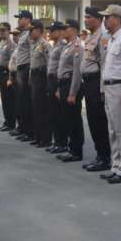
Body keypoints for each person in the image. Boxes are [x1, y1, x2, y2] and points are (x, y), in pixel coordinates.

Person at [97, 4, 121, 184]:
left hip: (120, 88)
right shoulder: (111, 39)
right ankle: (116, 166)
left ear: (117, 19)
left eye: (108, 17)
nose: (105, 20)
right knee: (112, 130)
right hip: (110, 88)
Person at [80, 7, 112, 172]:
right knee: (92, 121)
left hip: (95, 82)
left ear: (99, 20)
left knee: (99, 121)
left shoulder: (103, 37)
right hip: (88, 82)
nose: (86, 20)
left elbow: (103, 64)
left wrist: (101, 90)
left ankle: (105, 158)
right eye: (85, 17)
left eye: (89, 17)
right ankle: (100, 155)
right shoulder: (91, 36)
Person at [56, 20, 84, 162]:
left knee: (74, 119)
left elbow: (77, 72)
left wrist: (73, 92)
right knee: (67, 118)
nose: (62, 31)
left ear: (73, 30)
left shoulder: (77, 46)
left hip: (71, 84)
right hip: (63, 84)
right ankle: (71, 147)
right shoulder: (67, 46)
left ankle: (76, 150)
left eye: (65, 28)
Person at [29, 20, 52, 147]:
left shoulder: (45, 44)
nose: (31, 32)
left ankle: (46, 138)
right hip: (34, 77)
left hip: (42, 77)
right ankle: (38, 136)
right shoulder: (34, 44)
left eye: (33, 30)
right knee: (36, 108)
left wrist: (49, 82)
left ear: (39, 30)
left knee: (43, 109)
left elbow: (49, 63)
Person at [46, 22, 67, 153]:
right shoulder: (54, 46)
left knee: (60, 114)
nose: (50, 33)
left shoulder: (63, 46)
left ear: (59, 32)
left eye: (52, 31)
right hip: (50, 80)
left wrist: (59, 87)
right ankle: (57, 141)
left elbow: (62, 66)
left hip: (57, 80)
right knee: (53, 112)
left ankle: (62, 142)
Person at [12, 10, 34, 141]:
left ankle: (29, 131)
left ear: (27, 20)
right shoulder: (23, 34)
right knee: (21, 101)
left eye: (20, 18)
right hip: (20, 70)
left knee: (26, 102)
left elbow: (32, 54)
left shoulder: (29, 34)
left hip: (26, 69)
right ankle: (23, 129)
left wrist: (30, 72)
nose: (18, 21)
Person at [0, 23, 16, 131]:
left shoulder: (11, 44)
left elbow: (12, 62)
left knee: (9, 100)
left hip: (7, 72)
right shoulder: (2, 43)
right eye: (0, 30)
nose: (1, 32)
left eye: (3, 30)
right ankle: (7, 121)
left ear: (9, 31)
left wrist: (10, 78)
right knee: (4, 99)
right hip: (1, 72)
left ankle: (11, 123)